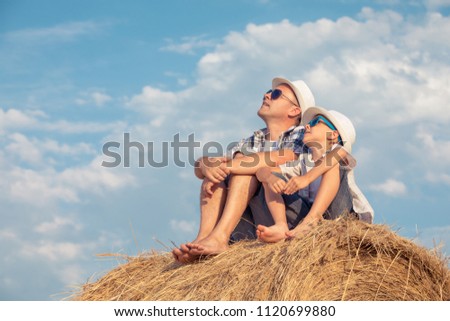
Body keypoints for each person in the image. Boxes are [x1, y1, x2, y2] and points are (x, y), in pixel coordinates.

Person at [172, 77, 346, 263]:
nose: (267, 95)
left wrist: (226, 166)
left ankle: (219, 238)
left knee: (243, 168)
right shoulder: (254, 140)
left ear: (294, 110)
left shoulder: (303, 134)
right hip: (260, 221)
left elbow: (281, 156)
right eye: (269, 92)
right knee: (216, 177)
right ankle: (203, 240)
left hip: (293, 209)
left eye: (276, 94)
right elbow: (208, 168)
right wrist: (206, 165)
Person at [255, 106, 374, 243]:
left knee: (331, 164)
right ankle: (281, 224)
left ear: (333, 135)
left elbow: (338, 154)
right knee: (271, 178)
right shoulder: (303, 161)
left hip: (342, 216)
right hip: (308, 217)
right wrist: (269, 178)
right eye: (308, 123)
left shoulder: (337, 152)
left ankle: (312, 220)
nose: (307, 126)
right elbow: (262, 170)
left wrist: (306, 179)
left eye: (315, 122)